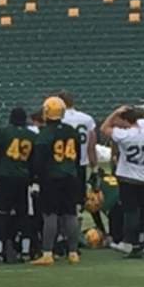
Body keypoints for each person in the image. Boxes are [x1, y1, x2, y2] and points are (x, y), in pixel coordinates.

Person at [101, 105, 144, 259]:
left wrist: (115, 111)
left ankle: (135, 245)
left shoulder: (125, 135)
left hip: (128, 178)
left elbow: (104, 128)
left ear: (125, 120)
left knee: (131, 214)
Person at [30, 96, 83, 266]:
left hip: (51, 177)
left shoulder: (44, 134)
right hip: (70, 175)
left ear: (46, 112)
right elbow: (77, 157)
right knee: (70, 213)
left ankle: (47, 252)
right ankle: (73, 252)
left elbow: (39, 161)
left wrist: (36, 179)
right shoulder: (71, 131)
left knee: (50, 214)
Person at [0, 107, 35, 264]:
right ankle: (26, 251)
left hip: (4, 177)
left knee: (1, 215)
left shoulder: (3, 132)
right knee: (23, 215)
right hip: (23, 178)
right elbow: (34, 161)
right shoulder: (31, 135)